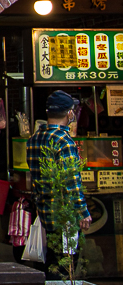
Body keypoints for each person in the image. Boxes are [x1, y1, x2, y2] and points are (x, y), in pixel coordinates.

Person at [25, 90, 92, 275]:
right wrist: (83, 212)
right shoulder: (64, 141)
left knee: (45, 268)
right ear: (69, 113)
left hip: (43, 213)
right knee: (64, 269)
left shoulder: (33, 140)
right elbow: (71, 182)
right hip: (64, 218)